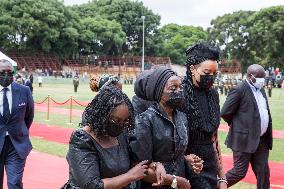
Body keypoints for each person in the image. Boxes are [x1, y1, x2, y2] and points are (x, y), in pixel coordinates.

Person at [62, 86, 166, 189]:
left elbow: (136, 163)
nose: (120, 125)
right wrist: (130, 176)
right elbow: (92, 185)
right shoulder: (82, 139)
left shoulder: (120, 135)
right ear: (102, 115)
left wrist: (156, 165)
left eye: (125, 122)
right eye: (116, 121)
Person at [129, 67, 203, 189]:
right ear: (158, 91)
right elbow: (140, 167)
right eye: (173, 88)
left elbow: (173, 156)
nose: (179, 91)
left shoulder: (182, 117)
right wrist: (176, 181)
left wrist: (186, 159)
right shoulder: (145, 121)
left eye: (181, 88)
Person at [221, 64, 273, 189]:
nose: (262, 80)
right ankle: (215, 186)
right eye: (259, 77)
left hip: (261, 140)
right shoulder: (239, 89)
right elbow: (225, 112)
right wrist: (239, 127)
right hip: (243, 140)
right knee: (239, 172)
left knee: (264, 173)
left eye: (263, 77)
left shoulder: (260, 89)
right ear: (250, 76)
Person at [183, 43, 227, 189]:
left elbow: (214, 139)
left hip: (210, 165)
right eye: (207, 73)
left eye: (215, 74)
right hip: (187, 166)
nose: (211, 77)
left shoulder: (213, 94)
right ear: (192, 69)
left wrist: (222, 178)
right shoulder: (179, 93)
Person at [0, 59, 34, 189]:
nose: (6, 75)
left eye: (10, 72)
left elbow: (28, 117)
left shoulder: (24, 91)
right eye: (3, 72)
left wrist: (19, 130)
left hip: (17, 145)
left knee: (14, 184)